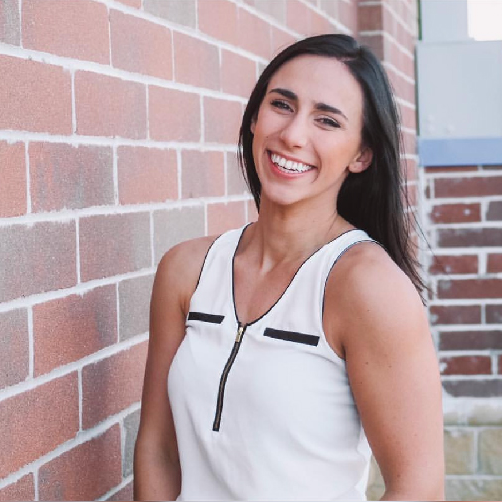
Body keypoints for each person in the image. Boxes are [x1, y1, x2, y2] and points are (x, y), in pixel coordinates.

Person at [134, 34, 444, 501]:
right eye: (282, 105)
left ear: (361, 154)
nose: (294, 135)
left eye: (327, 120)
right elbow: (159, 448)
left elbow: (418, 487)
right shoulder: (186, 270)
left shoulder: (366, 286)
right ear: (255, 117)